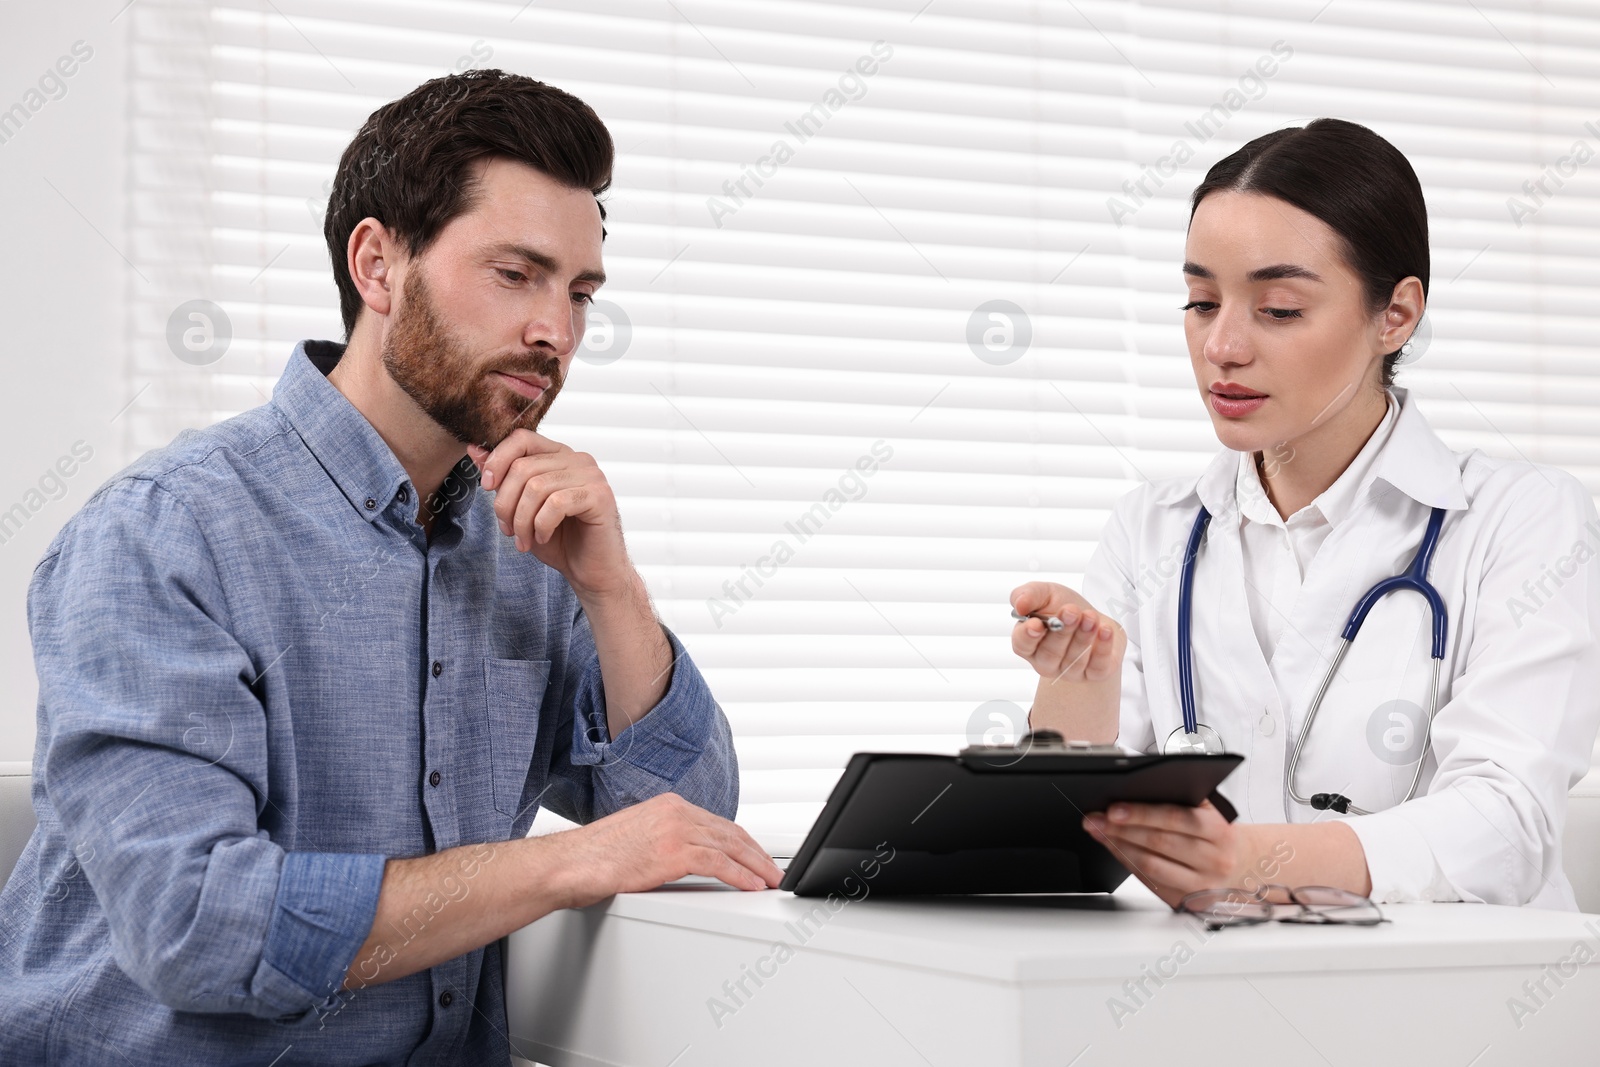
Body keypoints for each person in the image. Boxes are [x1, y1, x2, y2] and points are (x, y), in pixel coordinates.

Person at [0, 69, 781, 1065]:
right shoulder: (166, 533)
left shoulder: (532, 543)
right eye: (516, 273)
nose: (558, 332)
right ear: (377, 264)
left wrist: (612, 590)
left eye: (578, 291)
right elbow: (195, 922)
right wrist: (565, 861)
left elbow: (685, 829)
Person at [1010, 118, 1600, 912]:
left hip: (1461, 1007)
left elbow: (1507, 822)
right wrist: (1080, 686)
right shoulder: (1153, 531)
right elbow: (1066, 842)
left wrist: (1253, 859)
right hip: (1214, 1009)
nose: (1221, 345)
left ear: (1395, 314)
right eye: (1201, 301)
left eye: (1278, 308)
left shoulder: (1522, 521)